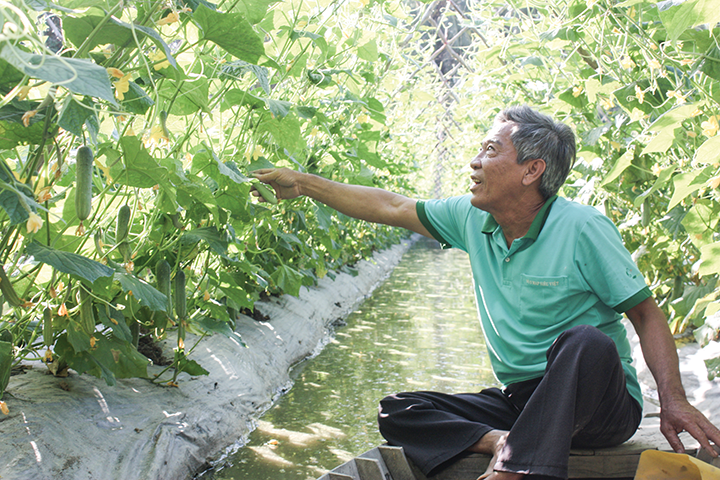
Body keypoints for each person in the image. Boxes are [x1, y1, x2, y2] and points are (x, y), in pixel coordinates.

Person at [252, 105, 720, 480]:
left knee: (585, 341)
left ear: (530, 170)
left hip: (599, 403)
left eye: (489, 150)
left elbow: (646, 314)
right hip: (521, 400)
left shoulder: (583, 228)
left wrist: (673, 400)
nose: (474, 162)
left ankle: (512, 470)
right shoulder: (472, 218)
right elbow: (391, 205)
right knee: (399, 409)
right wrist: (305, 184)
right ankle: (504, 442)